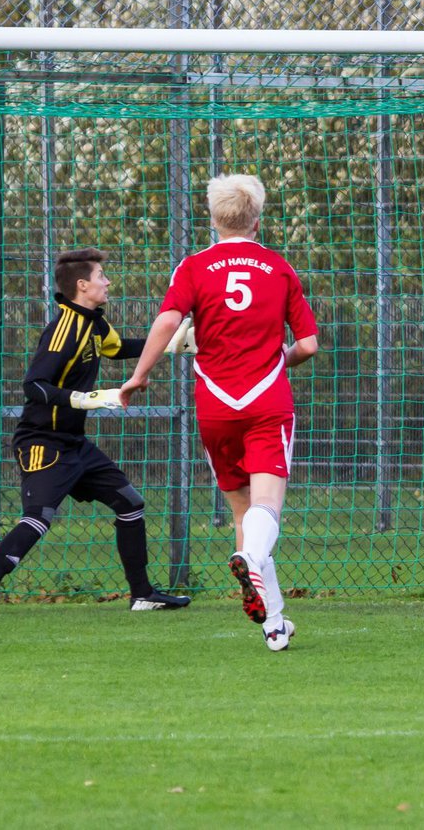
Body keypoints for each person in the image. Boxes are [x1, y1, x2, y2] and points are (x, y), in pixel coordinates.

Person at [120, 174, 319, 653]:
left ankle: (274, 624)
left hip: (215, 406)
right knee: (266, 509)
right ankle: (250, 558)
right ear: (258, 217)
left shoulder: (194, 266)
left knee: (242, 511)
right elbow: (309, 345)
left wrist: (140, 374)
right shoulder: (278, 268)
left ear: (212, 218)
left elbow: (169, 320)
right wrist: (280, 359)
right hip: (267, 401)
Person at [0, 248, 192, 617]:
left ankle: (143, 594)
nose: (108, 282)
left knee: (130, 504)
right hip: (42, 443)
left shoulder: (95, 324)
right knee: (38, 518)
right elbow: (33, 385)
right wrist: (83, 400)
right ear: (82, 285)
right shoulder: (63, 329)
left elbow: (120, 349)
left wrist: (173, 343)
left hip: (75, 445)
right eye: (102, 276)